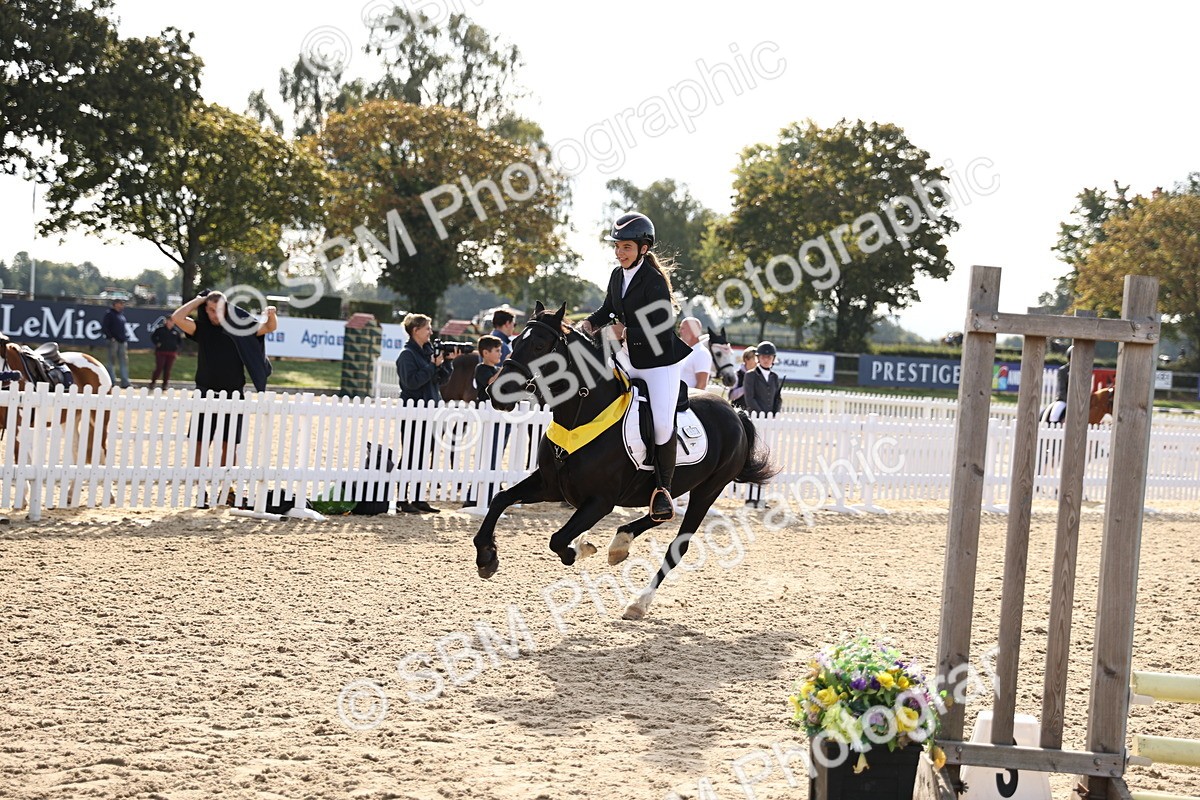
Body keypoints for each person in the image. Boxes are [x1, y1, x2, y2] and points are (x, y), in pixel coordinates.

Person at [579, 212, 692, 522]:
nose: (620, 253)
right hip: (628, 358)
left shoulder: (653, 281)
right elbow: (606, 310)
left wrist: (624, 332)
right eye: (617, 247)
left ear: (643, 248)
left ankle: (663, 491)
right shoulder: (618, 276)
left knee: (661, 425)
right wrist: (586, 325)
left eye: (626, 247)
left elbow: (660, 325)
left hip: (659, 363)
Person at [171, 291, 277, 470]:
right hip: (205, 393)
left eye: (219, 310)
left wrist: (272, 315)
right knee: (199, 444)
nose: (215, 315)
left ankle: (225, 490)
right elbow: (177, 318)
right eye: (211, 310)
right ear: (206, 309)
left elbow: (269, 328)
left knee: (229, 446)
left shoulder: (241, 329)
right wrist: (198, 300)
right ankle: (201, 487)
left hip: (233, 395)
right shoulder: (201, 329)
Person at [396, 313, 452, 514]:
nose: (430, 332)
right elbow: (411, 382)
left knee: (423, 455)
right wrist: (432, 366)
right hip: (413, 411)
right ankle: (402, 498)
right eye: (427, 328)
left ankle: (419, 498)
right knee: (411, 454)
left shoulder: (428, 351)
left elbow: (441, 380)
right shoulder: (406, 355)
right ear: (415, 330)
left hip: (431, 410)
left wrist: (446, 363)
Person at [743, 340, 783, 414]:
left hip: (771, 418)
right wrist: (761, 414)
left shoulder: (774, 376)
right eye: (763, 357)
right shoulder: (750, 375)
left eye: (769, 357)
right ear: (758, 358)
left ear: (773, 358)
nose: (766, 360)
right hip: (755, 416)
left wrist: (774, 413)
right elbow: (750, 398)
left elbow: (778, 398)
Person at [102, 298, 131, 389]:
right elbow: (105, 327)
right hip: (113, 341)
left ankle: (125, 382)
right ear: (115, 304)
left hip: (122, 341)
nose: (122, 305)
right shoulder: (110, 314)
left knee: (123, 362)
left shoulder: (121, 315)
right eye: (120, 303)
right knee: (111, 362)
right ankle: (111, 381)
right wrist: (111, 337)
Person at [677, 317, 712, 390]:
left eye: (683, 328)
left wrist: (690, 401)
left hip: (690, 400)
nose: (679, 331)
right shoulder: (687, 352)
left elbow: (701, 385)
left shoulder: (701, 353)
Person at [150, 317, 184, 390]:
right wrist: (157, 343)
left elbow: (180, 341)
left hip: (171, 352)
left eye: (172, 321)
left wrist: (177, 349)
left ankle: (165, 385)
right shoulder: (160, 329)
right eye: (169, 320)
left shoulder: (176, 331)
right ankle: (153, 383)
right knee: (159, 367)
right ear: (166, 321)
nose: (170, 322)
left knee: (168, 369)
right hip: (161, 351)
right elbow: (153, 337)